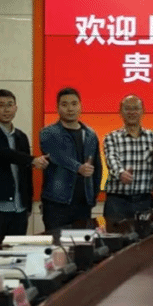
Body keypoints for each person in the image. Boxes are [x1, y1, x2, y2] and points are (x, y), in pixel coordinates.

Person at [0, 89, 49, 236]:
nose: (6, 109)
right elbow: (4, 154)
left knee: (17, 248)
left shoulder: (21, 136)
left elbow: (26, 172)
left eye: (10, 105)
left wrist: (28, 204)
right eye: (1, 105)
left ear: (15, 108)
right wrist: (32, 160)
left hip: (20, 207)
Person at [39, 87, 102, 231]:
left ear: (80, 106)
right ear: (57, 107)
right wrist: (79, 168)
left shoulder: (90, 134)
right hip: (57, 203)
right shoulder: (48, 133)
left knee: (82, 243)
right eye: (64, 104)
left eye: (74, 104)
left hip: (83, 204)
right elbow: (57, 156)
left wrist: (93, 195)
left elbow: (97, 167)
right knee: (57, 242)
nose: (70, 109)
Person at [103, 95, 153, 222]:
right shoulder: (111, 137)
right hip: (117, 202)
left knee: (146, 234)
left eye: (135, 108)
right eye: (127, 108)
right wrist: (121, 173)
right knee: (114, 234)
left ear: (143, 111)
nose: (132, 112)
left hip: (144, 201)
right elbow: (111, 158)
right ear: (120, 112)